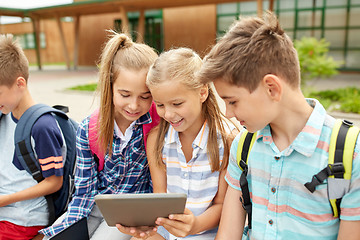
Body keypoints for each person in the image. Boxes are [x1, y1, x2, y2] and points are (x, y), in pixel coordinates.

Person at [196, 11, 360, 240]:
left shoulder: (349, 155)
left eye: (232, 101)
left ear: (271, 88)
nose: (228, 113)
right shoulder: (244, 146)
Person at [40, 32, 158, 239]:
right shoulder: (89, 129)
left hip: (132, 212)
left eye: (145, 97)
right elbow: (84, 191)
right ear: (109, 87)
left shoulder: (157, 122)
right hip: (96, 205)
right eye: (125, 94)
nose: (134, 105)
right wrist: (63, 228)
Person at [118, 48, 236, 240]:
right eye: (161, 105)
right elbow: (160, 196)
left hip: (204, 233)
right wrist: (142, 226)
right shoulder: (157, 139)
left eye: (177, 104)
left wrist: (195, 225)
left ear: (203, 92)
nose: (169, 114)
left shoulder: (227, 141)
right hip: (166, 232)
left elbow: (222, 205)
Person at [0, 34, 64, 239]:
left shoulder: (42, 126)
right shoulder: (5, 115)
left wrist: (5, 199)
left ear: (20, 83)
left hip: (23, 219)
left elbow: (54, 182)